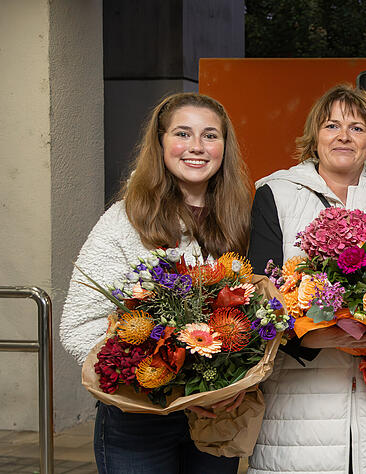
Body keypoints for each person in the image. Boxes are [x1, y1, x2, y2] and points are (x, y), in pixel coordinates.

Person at [246, 84, 366, 474]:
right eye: (332, 125)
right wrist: (307, 336)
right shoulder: (276, 193)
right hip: (299, 402)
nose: (344, 136)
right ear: (314, 137)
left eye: (358, 128)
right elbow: (258, 292)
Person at [60, 92, 251, 473]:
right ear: (161, 142)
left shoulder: (241, 219)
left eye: (210, 135)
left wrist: (234, 381)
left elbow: (259, 317)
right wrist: (167, 384)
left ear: (224, 147)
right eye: (183, 133)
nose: (197, 147)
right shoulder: (125, 220)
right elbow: (78, 326)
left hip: (216, 416)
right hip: (138, 419)